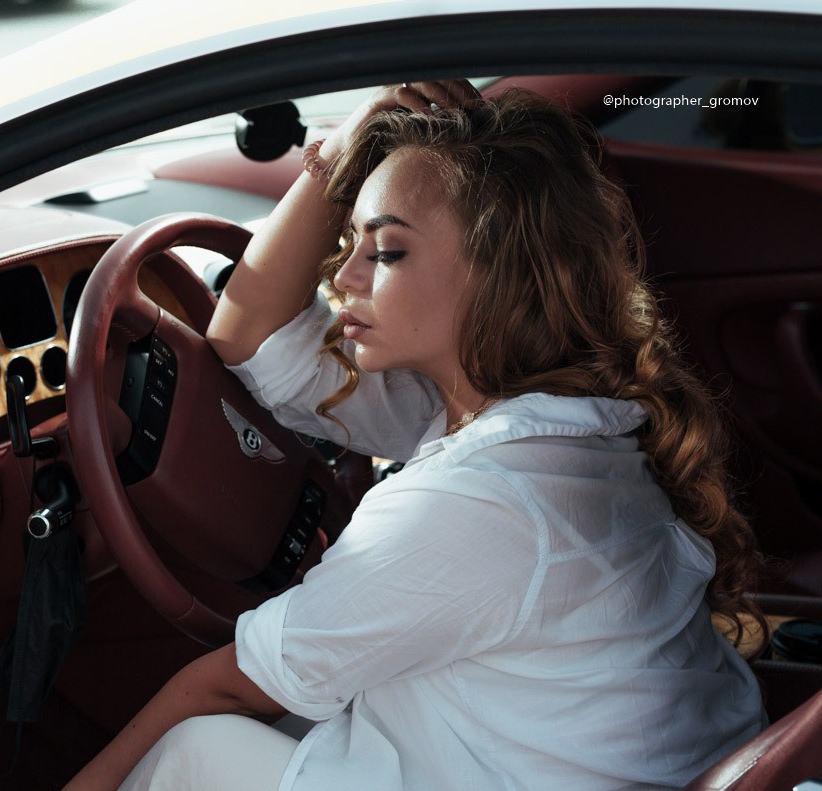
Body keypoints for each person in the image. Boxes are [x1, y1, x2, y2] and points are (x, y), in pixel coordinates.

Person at [64, 80, 767, 791]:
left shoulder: (479, 498)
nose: (342, 277)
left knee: (200, 750)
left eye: (387, 252)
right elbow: (247, 337)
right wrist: (338, 153)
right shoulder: (542, 411)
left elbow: (221, 688)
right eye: (349, 243)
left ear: (495, 272)